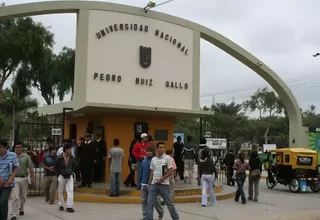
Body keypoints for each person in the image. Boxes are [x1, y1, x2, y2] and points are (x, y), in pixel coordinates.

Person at [146, 142, 179, 220]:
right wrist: (149, 183)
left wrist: (162, 179)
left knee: (169, 203)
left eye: (163, 147)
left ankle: (175, 217)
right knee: (150, 203)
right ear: (157, 149)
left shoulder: (168, 158)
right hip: (154, 184)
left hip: (164, 184)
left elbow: (170, 171)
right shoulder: (153, 159)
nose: (162, 149)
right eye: (160, 147)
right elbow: (151, 171)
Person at [10, 141, 35, 220]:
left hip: (24, 178)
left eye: (20, 147)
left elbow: (30, 168)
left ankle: (21, 209)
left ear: (22, 148)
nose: (19, 148)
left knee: (23, 196)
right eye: (17, 147)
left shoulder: (26, 157)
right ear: (15, 148)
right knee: (15, 196)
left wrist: (33, 178)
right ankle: (14, 213)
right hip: (14, 178)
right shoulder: (11, 156)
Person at [140, 147, 164, 220]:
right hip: (144, 184)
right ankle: (145, 216)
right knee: (144, 201)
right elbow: (141, 172)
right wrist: (140, 182)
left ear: (153, 152)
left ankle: (160, 212)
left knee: (155, 200)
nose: (148, 152)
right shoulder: (143, 161)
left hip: (152, 183)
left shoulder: (154, 160)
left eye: (150, 151)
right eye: (147, 151)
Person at [0, 139, 20, 220]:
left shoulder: (12, 155)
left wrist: (11, 178)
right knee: (1, 205)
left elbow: (17, 167)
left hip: (7, 185)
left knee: (3, 202)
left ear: (5, 148)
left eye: (0, 147)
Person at [56, 143, 76, 212]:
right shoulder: (59, 158)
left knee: (70, 191)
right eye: (70, 149)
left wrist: (72, 172)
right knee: (60, 191)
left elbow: (74, 166)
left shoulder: (72, 157)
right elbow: (57, 167)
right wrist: (58, 175)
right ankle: (61, 204)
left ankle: (69, 206)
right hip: (61, 175)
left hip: (69, 175)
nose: (71, 150)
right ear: (66, 149)